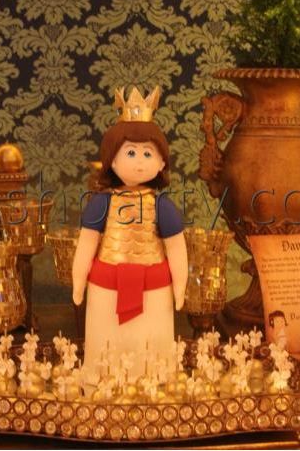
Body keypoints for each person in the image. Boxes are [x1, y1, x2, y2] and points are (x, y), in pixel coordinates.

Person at [72, 86, 187, 383]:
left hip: (154, 290)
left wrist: (180, 287)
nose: (139, 161)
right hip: (106, 288)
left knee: (151, 347)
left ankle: (154, 384)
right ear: (112, 159)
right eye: (131, 152)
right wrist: (78, 281)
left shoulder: (162, 206)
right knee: (107, 346)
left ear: (161, 162)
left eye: (147, 153)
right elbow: (87, 243)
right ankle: (102, 384)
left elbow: (176, 248)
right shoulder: (102, 202)